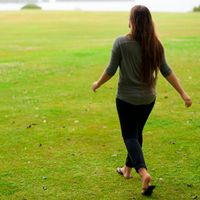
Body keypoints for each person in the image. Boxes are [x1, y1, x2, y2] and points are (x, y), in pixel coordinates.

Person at [92, 5, 192, 196]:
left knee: (130, 136)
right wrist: (183, 94)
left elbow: (111, 70)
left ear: (131, 21)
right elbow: (167, 71)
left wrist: (97, 83)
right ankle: (126, 170)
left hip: (126, 99)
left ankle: (143, 172)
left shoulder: (121, 43)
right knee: (136, 134)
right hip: (148, 100)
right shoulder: (156, 44)